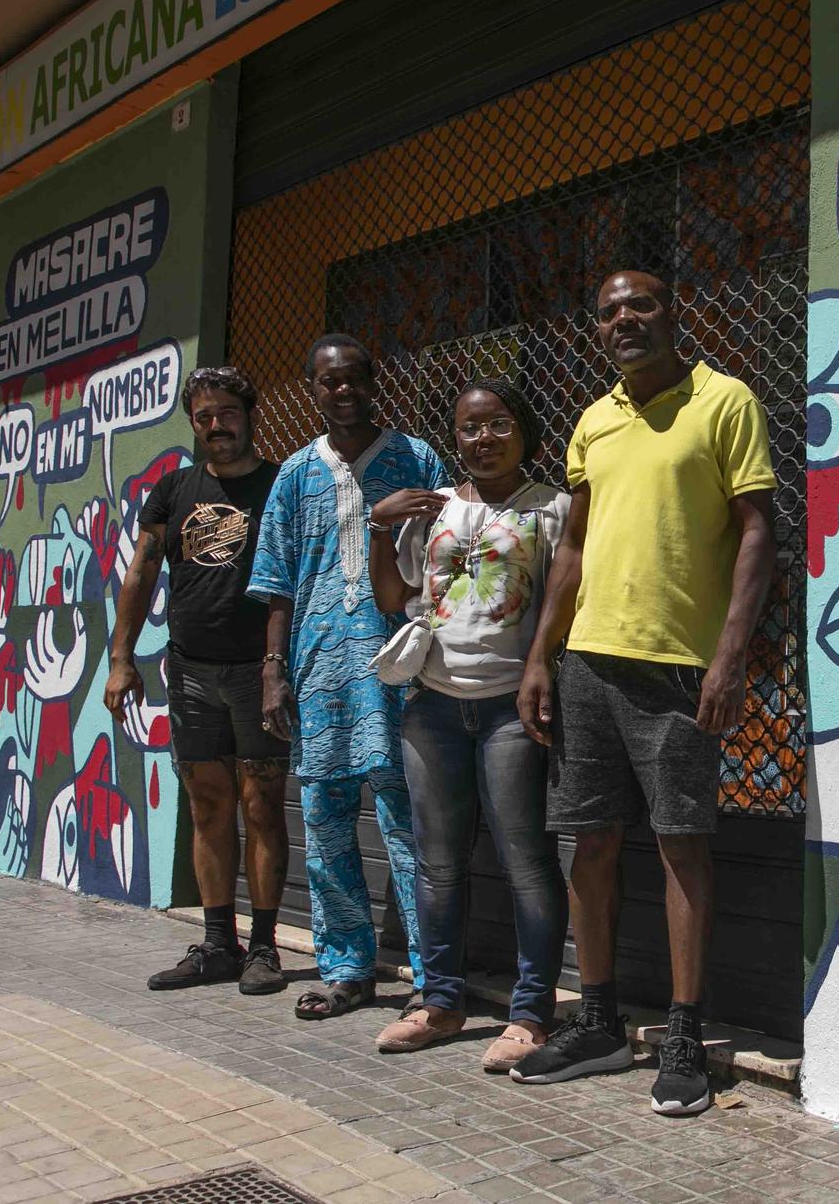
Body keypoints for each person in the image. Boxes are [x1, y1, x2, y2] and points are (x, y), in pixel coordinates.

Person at [512, 270, 777, 1116]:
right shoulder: (595, 419)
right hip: (588, 661)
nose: (625, 319)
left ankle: (685, 1034)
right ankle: (595, 1021)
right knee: (587, 845)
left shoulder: (723, 400)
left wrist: (731, 653)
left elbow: (759, 531)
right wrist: (540, 655)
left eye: (642, 305)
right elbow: (574, 548)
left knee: (680, 845)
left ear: (673, 314)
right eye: (609, 311)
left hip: (678, 669)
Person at [365, 380, 572, 1068]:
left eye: (499, 424)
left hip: (511, 706)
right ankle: (440, 1000)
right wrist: (378, 527)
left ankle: (530, 1012)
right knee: (438, 862)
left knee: (525, 861)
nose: (483, 438)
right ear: (454, 437)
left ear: (525, 431)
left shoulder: (552, 508)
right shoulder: (435, 507)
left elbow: (563, 601)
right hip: (432, 707)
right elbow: (393, 598)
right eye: (469, 428)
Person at [248, 333, 450, 1021]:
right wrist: (274, 670)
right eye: (329, 380)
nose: (343, 390)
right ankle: (346, 968)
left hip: (397, 670)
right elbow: (276, 582)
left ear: (374, 381)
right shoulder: (295, 474)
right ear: (312, 389)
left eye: (354, 377)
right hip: (318, 670)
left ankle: (431, 973)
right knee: (327, 822)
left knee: (407, 822)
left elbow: (446, 559)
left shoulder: (414, 458)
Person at [110, 366, 290, 997]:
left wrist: (279, 668)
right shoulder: (173, 490)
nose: (216, 425)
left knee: (261, 804)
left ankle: (265, 947)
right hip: (189, 671)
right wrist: (120, 657)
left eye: (227, 413)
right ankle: (219, 943)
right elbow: (140, 573)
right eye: (204, 415)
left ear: (249, 414)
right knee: (208, 805)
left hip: (256, 673)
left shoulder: (278, 484)